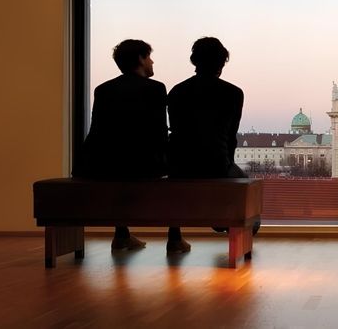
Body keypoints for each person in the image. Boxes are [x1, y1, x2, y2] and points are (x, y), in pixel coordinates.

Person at [72, 39, 167, 251]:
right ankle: (175, 237)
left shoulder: (103, 89)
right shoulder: (156, 89)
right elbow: (159, 133)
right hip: (141, 165)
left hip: (101, 164)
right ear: (141, 59)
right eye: (149, 56)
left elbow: (98, 130)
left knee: (120, 163)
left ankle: (122, 234)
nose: (152, 61)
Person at [167, 37, 252, 243]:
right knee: (247, 188)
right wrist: (227, 165)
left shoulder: (177, 91)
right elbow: (231, 136)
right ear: (222, 63)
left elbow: (177, 131)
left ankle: (174, 237)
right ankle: (225, 225)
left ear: (194, 61)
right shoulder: (233, 93)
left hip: (179, 165)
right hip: (216, 162)